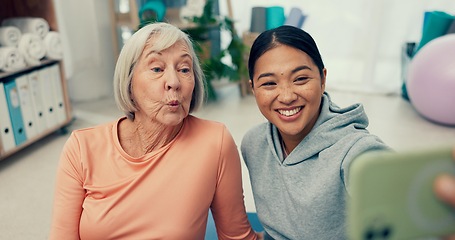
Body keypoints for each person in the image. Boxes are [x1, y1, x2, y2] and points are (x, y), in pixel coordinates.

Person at [49, 22, 261, 240]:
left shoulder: (214, 142)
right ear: (129, 82)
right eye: (157, 68)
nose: (174, 82)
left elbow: (237, 236)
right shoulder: (81, 148)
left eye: (184, 69)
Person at [240, 25, 391, 239]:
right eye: (269, 83)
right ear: (253, 88)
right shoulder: (253, 143)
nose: (286, 96)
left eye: (300, 79)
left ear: (323, 79)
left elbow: (412, 218)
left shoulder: (357, 152)